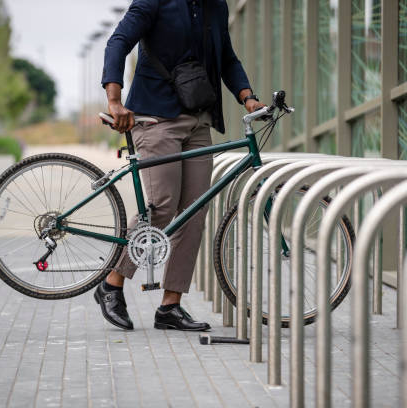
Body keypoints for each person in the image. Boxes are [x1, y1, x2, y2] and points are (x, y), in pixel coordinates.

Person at [95, 0, 264, 331]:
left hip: (198, 122)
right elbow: (118, 41)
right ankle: (112, 284)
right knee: (160, 207)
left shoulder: (216, 6)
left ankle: (170, 306)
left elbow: (227, 58)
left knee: (194, 213)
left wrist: (248, 97)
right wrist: (114, 100)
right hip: (155, 119)